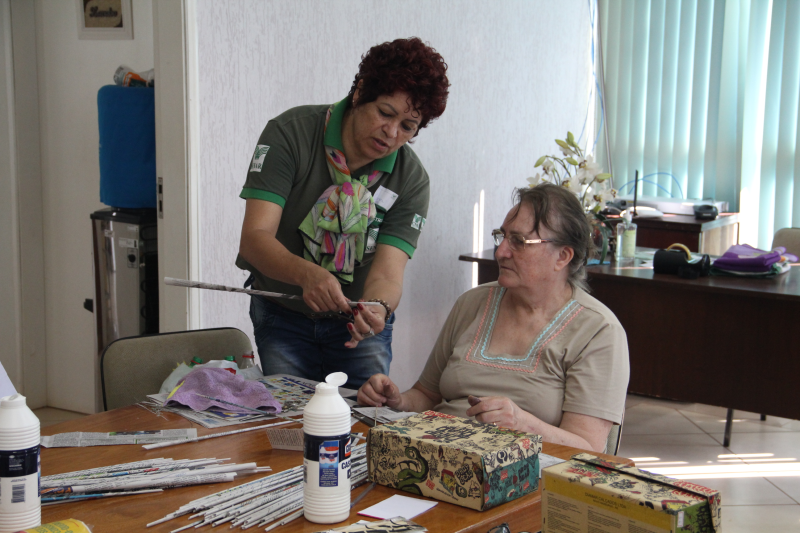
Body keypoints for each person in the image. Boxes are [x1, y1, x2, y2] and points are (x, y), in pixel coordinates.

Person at [237, 38, 450, 389]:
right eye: (385, 112)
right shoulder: (291, 134)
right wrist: (307, 275)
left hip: (358, 326)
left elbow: (388, 273)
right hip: (284, 312)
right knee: (292, 426)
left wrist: (378, 307)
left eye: (408, 126)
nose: (392, 133)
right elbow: (254, 239)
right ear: (360, 92)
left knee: (365, 424)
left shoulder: (410, 180)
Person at [358, 184, 629, 452]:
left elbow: (588, 448)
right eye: (502, 236)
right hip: (435, 458)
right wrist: (397, 400)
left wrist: (524, 424)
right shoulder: (472, 303)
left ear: (563, 256)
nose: (501, 252)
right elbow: (427, 396)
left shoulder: (598, 331)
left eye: (519, 242)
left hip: (525, 478)